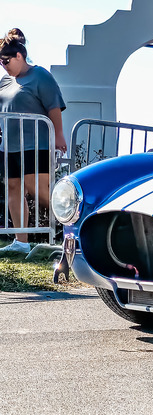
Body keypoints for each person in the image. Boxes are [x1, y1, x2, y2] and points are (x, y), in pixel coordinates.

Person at [0, 28, 67, 254]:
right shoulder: (4, 82)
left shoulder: (41, 76)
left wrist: (59, 135)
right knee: (13, 188)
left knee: (36, 188)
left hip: (35, 144)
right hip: (9, 146)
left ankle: (71, 221)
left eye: (6, 60)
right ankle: (21, 242)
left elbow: (54, 106)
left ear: (19, 56)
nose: (3, 65)